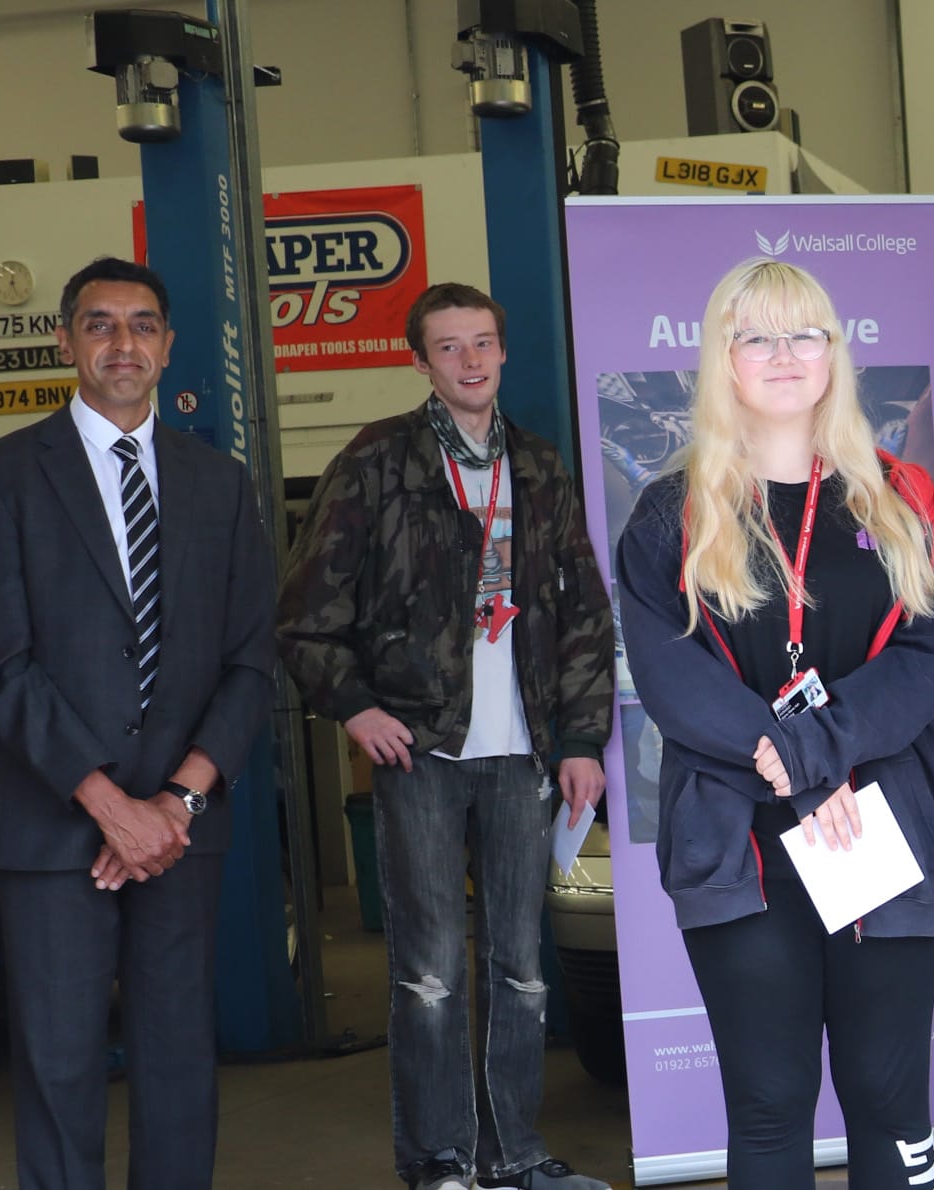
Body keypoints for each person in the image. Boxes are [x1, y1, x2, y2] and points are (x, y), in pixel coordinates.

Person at [615, 258, 934, 1188]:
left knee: (888, 1099)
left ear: (834, 354)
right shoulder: (672, 514)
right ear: (722, 359)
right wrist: (800, 773)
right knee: (770, 1103)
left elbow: (928, 655)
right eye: (757, 336)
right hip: (740, 844)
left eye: (804, 333)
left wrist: (820, 754)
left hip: (881, 831)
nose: (785, 355)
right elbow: (671, 676)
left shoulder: (902, 504)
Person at [276, 282, 616, 1190]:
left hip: (523, 753)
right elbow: (305, 611)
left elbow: (585, 612)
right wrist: (354, 706)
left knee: (522, 972)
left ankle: (515, 1158)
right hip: (420, 751)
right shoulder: (377, 461)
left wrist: (581, 739)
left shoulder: (539, 468)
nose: (470, 361)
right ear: (418, 360)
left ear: (504, 353)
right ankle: (438, 1162)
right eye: (449, 347)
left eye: (483, 344)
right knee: (428, 975)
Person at [0, 257, 277, 1189]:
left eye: (142, 325)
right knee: (61, 1062)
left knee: (179, 1057)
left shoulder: (219, 484)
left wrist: (176, 803)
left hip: (183, 829)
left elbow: (252, 657)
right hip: (54, 821)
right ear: (65, 341)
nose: (122, 344)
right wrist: (111, 804)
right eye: (99, 325)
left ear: (169, 344)